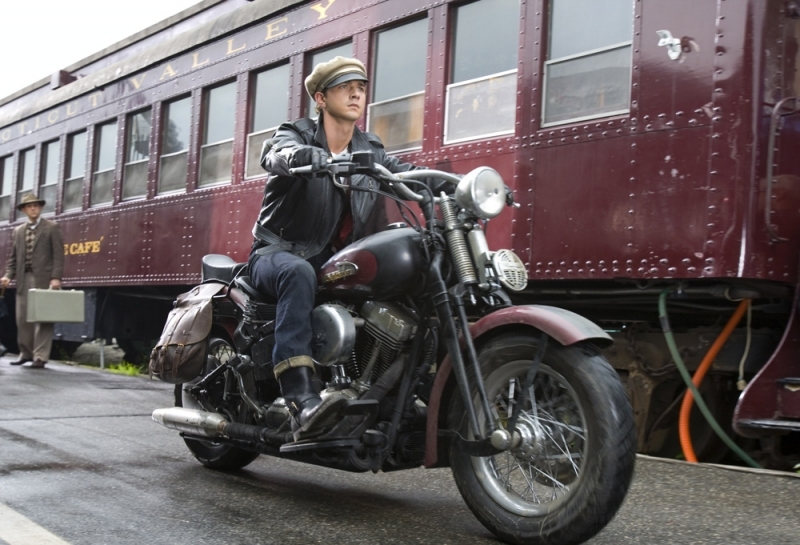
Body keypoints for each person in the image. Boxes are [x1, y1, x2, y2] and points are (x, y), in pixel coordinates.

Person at [250, 56, 448, 441]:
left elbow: (402, 171)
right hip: (279, 253)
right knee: (298, 271)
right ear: (321, 98)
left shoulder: (368, 148)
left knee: (402, 278)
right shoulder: (298, 134)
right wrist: (300, 157)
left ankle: (394, 392)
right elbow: (275, 152)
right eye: (345, 87)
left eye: (360, 86)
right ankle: (301, 397)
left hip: (333, 260)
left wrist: (450, 185)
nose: (357, 92)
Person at [1, 193, 64, 368]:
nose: (33, 208)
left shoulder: (52, 227)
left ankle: (40, 357)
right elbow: (13, 258)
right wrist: (7, 275)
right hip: (23, 278)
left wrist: (56, 278)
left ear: (41, 208)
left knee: (43, 318)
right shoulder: (18, 231)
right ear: (24, 210)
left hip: (44, 278)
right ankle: (26, 353)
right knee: (22, 319)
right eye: (29, 206)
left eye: (36, 205)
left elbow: (59, 255)